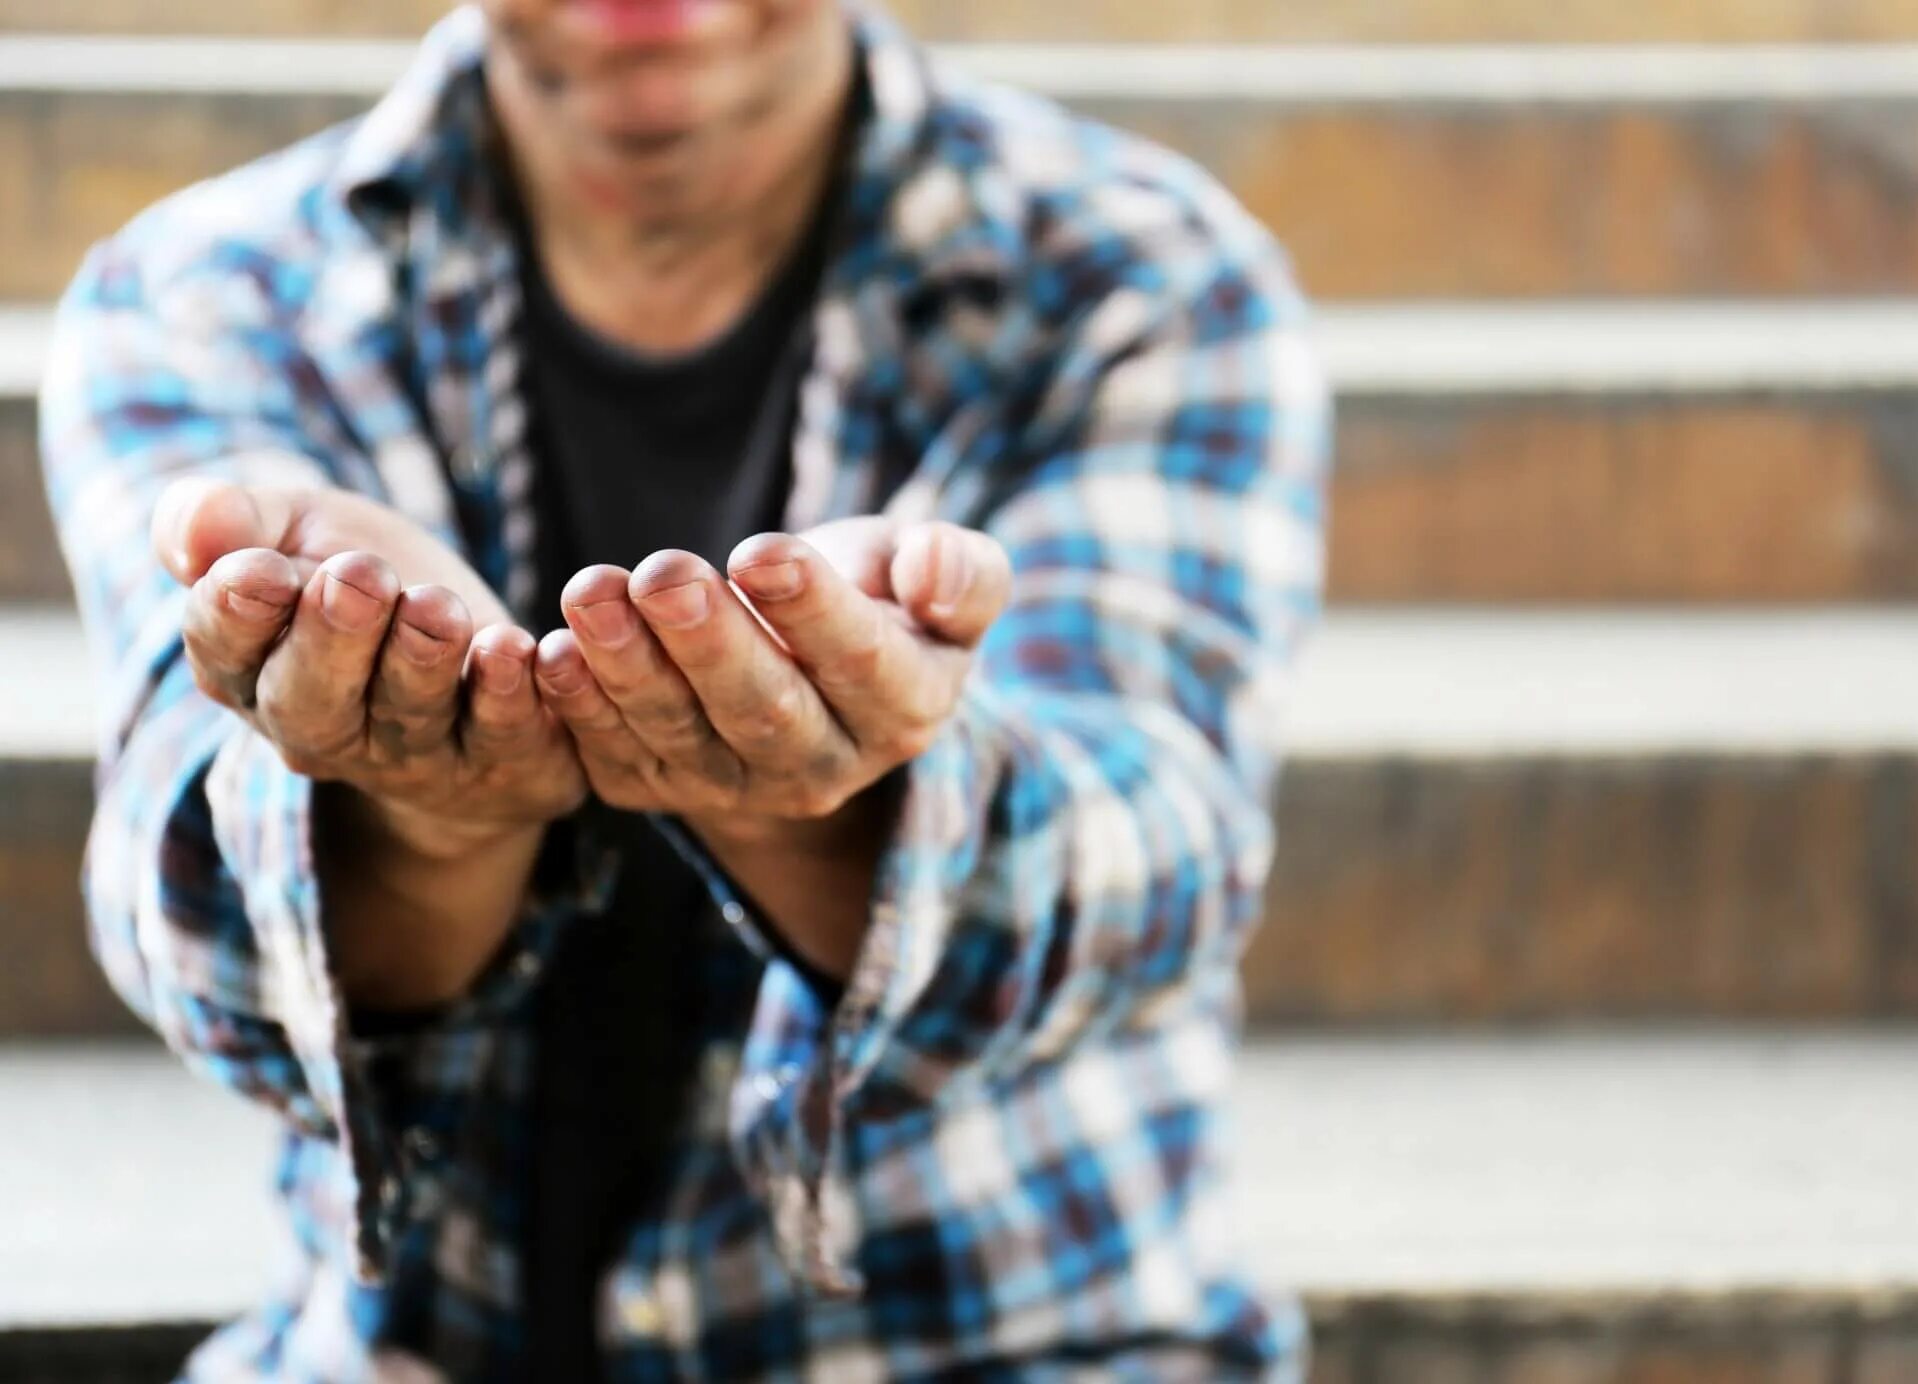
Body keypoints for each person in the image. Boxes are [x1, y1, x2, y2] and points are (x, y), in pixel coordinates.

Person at [39, 0, 1329, 1377]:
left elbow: (1160, 853)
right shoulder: (201, 295)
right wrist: (423, 818)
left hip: (1019, 1337)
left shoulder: (1140, 272)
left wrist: (848, 801)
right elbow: (186, 911)